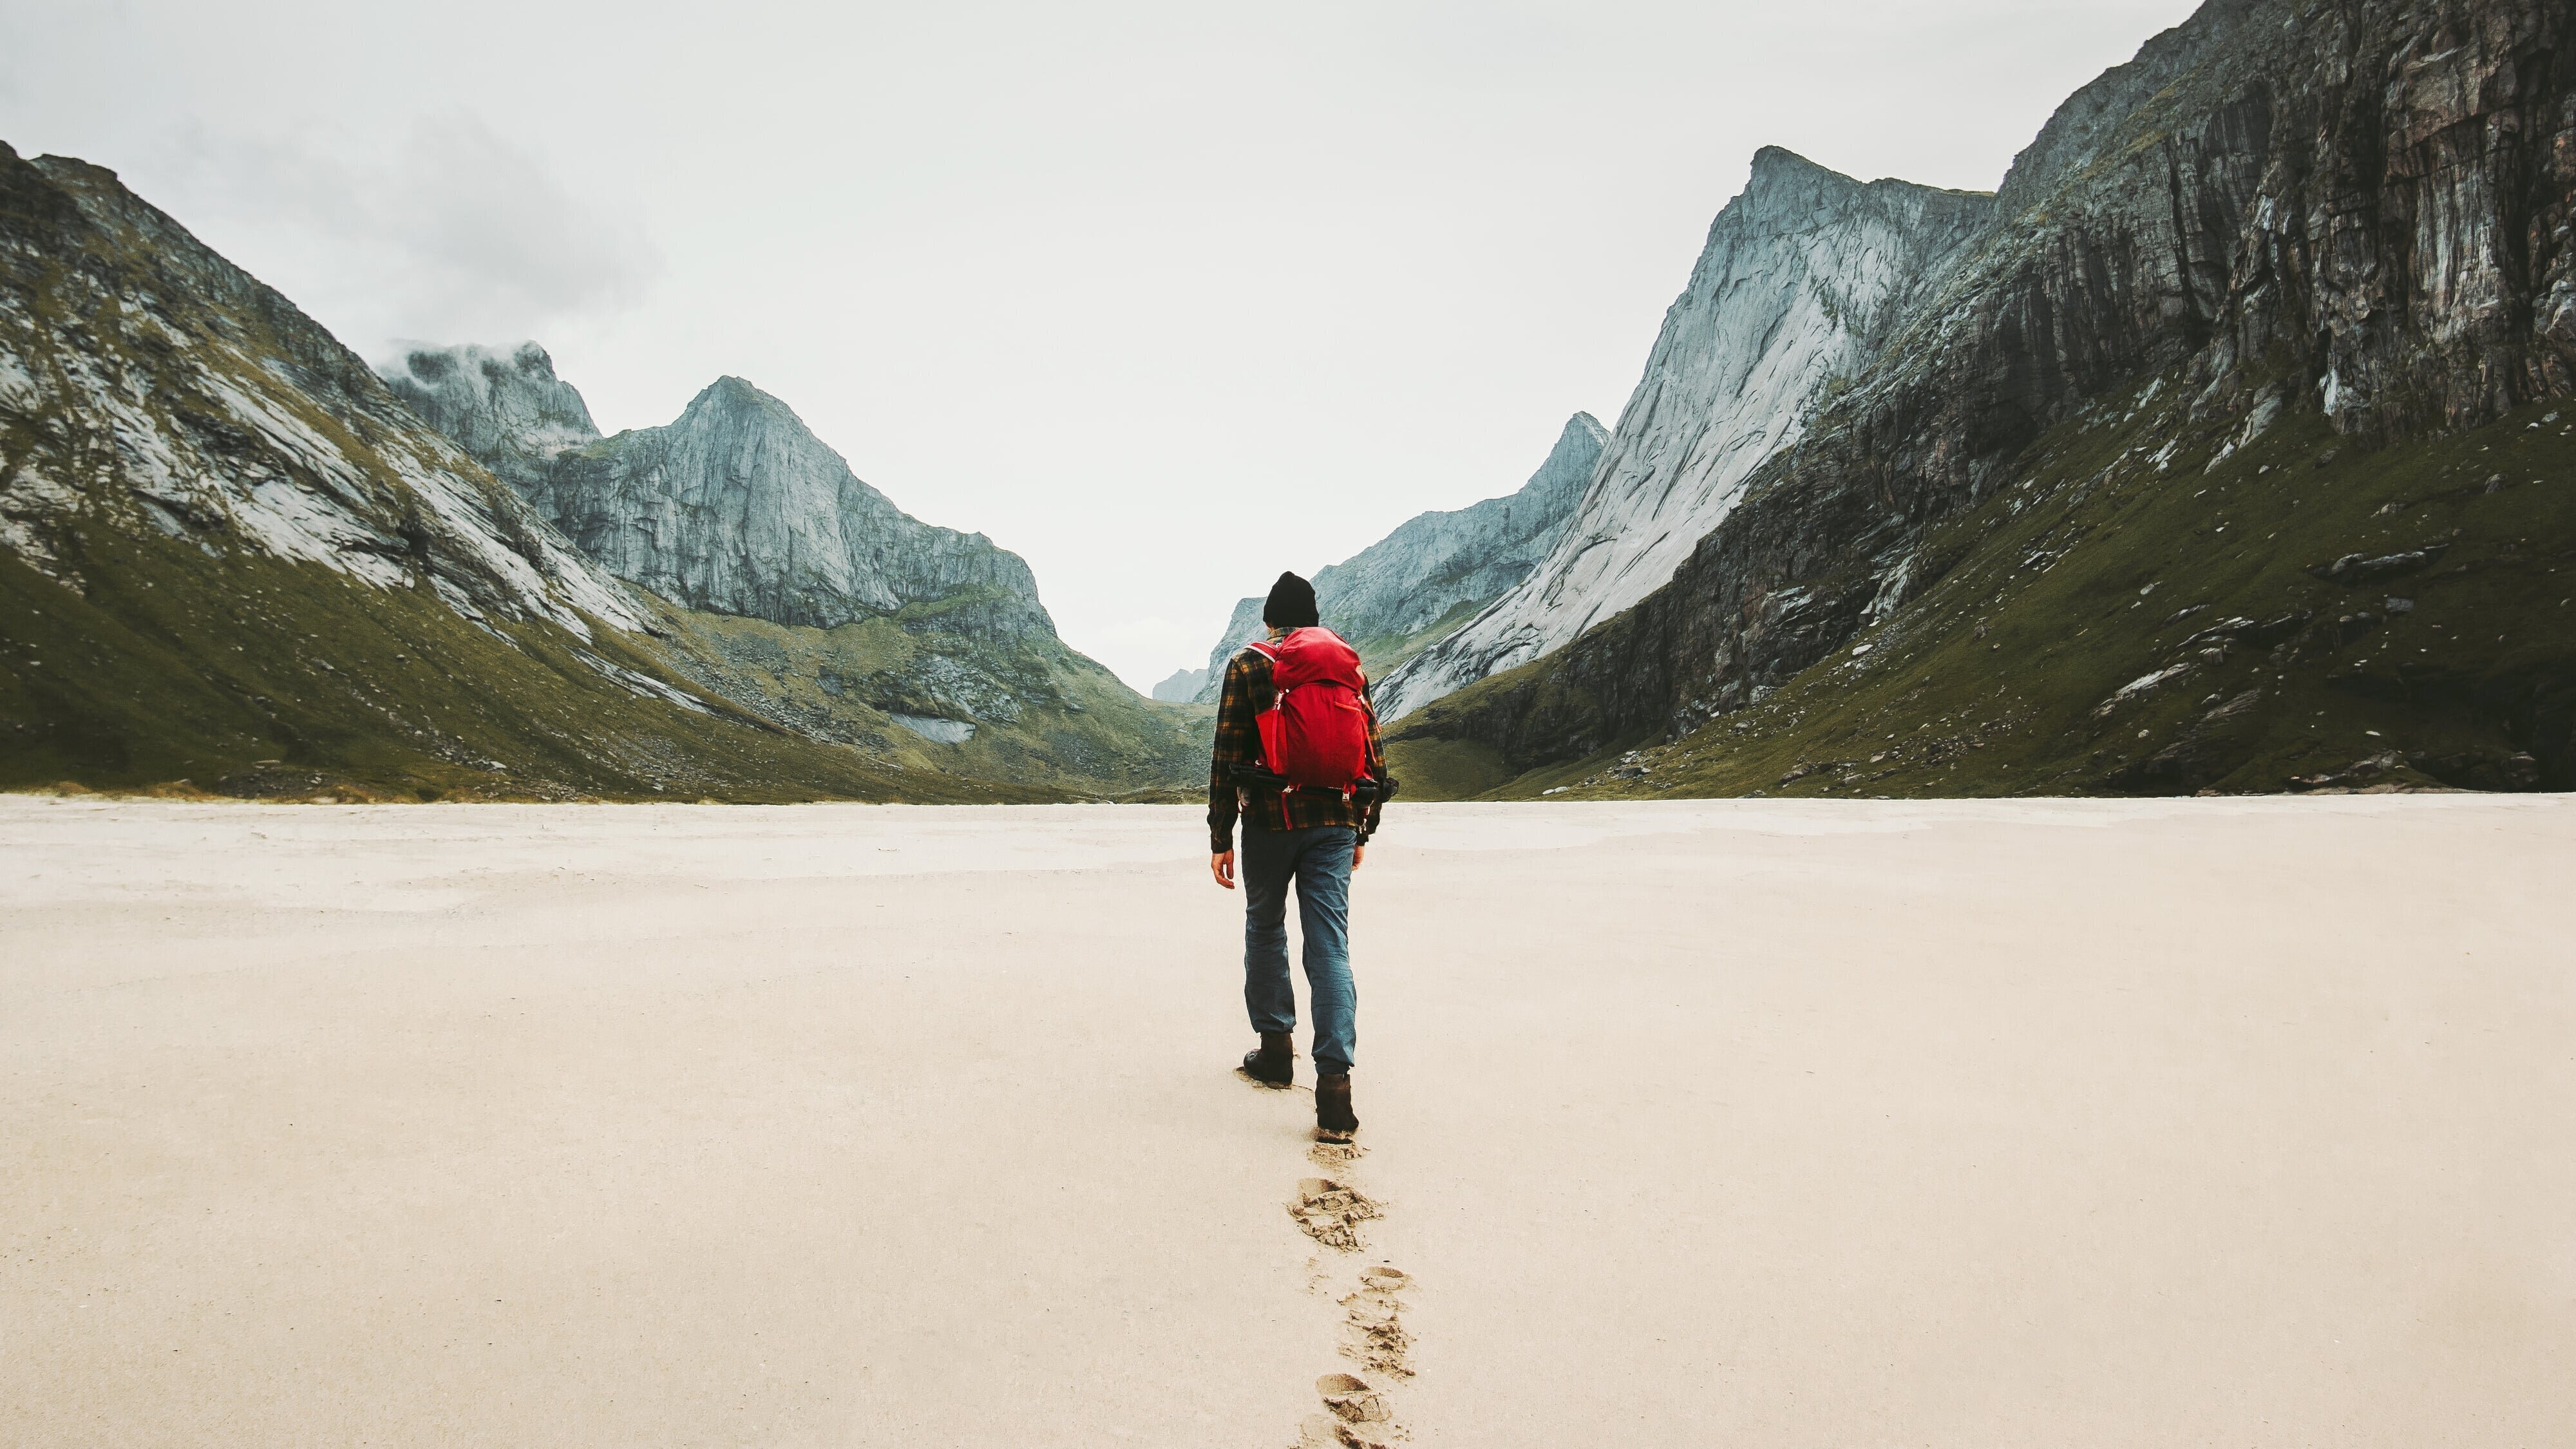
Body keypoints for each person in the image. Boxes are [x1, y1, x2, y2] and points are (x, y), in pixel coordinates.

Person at [1209, 571, 1389, 1137]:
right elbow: (1371, 754)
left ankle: (1277, 1052)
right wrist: (1362, 830)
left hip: (1269, 819)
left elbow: (1226, 753)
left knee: (1266, 928)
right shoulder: (1346, 667)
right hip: (1335, 821)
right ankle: (1335, 1090)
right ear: (1313, 620)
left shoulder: (1248, 664)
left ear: (1269, 618)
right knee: (1330, 946)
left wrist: (1220, 836)